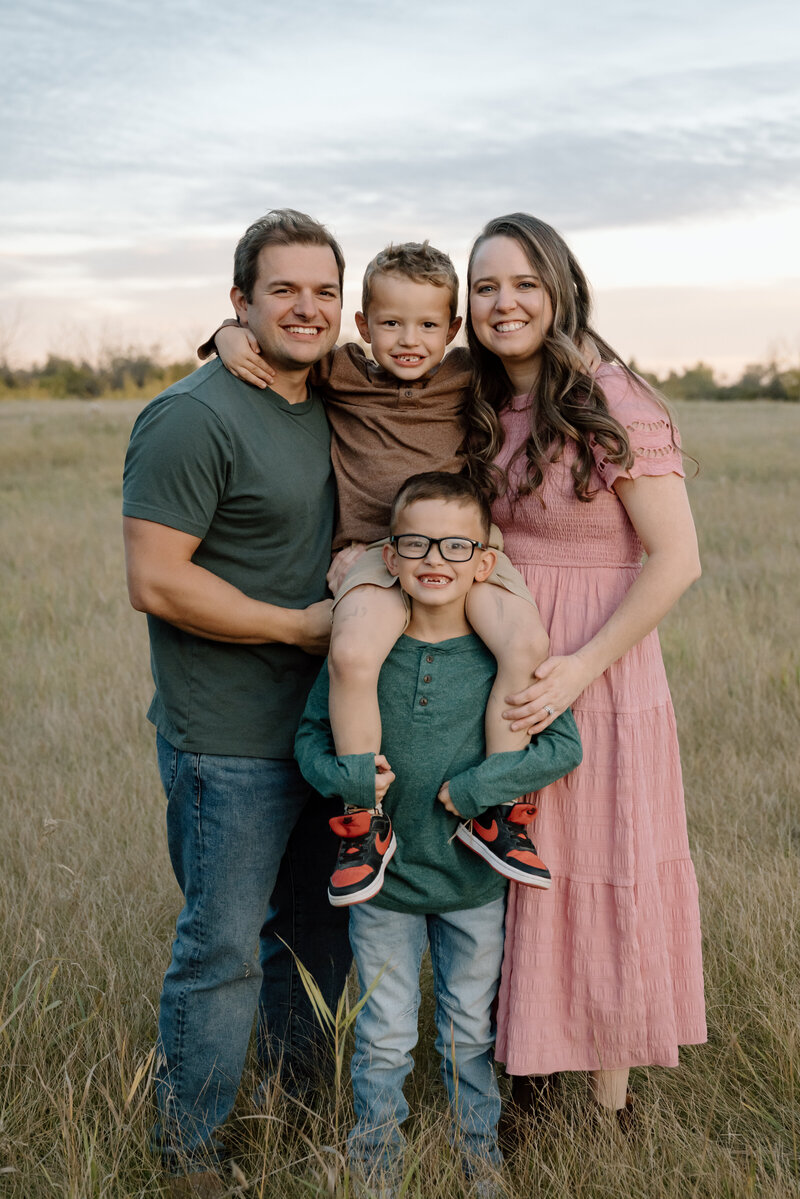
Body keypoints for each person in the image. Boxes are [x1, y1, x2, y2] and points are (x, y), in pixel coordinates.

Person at [201, 242, 551, 906]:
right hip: (377, 550)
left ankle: (498, 807)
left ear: (453, 329)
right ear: (363, 324)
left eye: (427, 325)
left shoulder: (467, 374)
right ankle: (364, 817)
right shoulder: (341, 370)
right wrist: (226, 334)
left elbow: (540, 349)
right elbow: (275, 345)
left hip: (465, 547)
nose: (409, 340)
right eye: (391, 323)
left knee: (526, 644)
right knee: (353, 651)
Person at [122, 209, 353, 1197]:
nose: (306, 308)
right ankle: (190, 1156)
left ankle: (302, 1117)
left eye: (323, 291)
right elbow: (158, 579)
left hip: (331, 732)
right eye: (281, 289)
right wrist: (299, 628)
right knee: (221, 951)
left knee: (319, 936)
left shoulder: (339, 393)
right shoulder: (192, 415)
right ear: (240, 300)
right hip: (227, 738)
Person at [462, 213, 707, 1125]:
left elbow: (676, 560)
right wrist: (231, 336)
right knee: (516, 865)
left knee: (602, 863)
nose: (505, 302)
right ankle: (526, 1073)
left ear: (561, 288)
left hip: (598, 667)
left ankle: (609, 1103)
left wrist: (579, 669)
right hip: (505, 662)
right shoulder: (481, 398)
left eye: (524, 282)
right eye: (486, 287)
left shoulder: (613, 398)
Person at [294, 472, 583, 1191]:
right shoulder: (364, 651)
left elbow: (562, 745)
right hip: (384, 885)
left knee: (468, 1031)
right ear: (389, 557)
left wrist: (479, 789)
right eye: (417, 544)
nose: (435, 559)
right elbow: (308, 741)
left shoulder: (499, 655)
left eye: (456, 546)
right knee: (384, 1035)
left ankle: (479, 1162)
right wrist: (351, 781)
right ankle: (376, 1168)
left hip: (472, 881)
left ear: (484, 564)